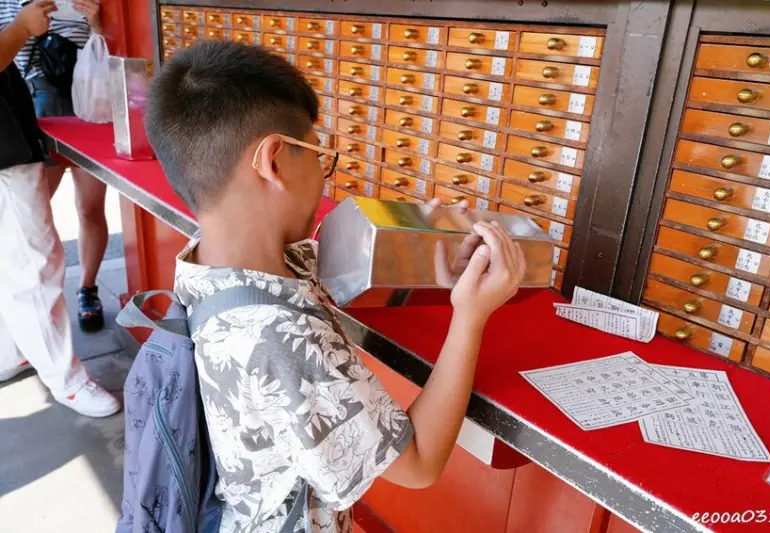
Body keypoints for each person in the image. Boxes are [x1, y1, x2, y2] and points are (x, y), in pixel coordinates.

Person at [145, 40, 526, 533]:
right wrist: (470, 318)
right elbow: (418, 463)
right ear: (274, 160)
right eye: (318, 156)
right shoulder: (280, 338)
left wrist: (414, 251)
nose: (324, 179)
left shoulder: (210, 262)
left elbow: (324, 279)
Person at [0, 0, 120, 417]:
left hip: (55, 116)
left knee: (23, 251)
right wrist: (21, 29)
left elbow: (107, 51)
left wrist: (94, 23)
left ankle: (16, 347)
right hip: (19, 131)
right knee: (34, 257)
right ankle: (66, 381)